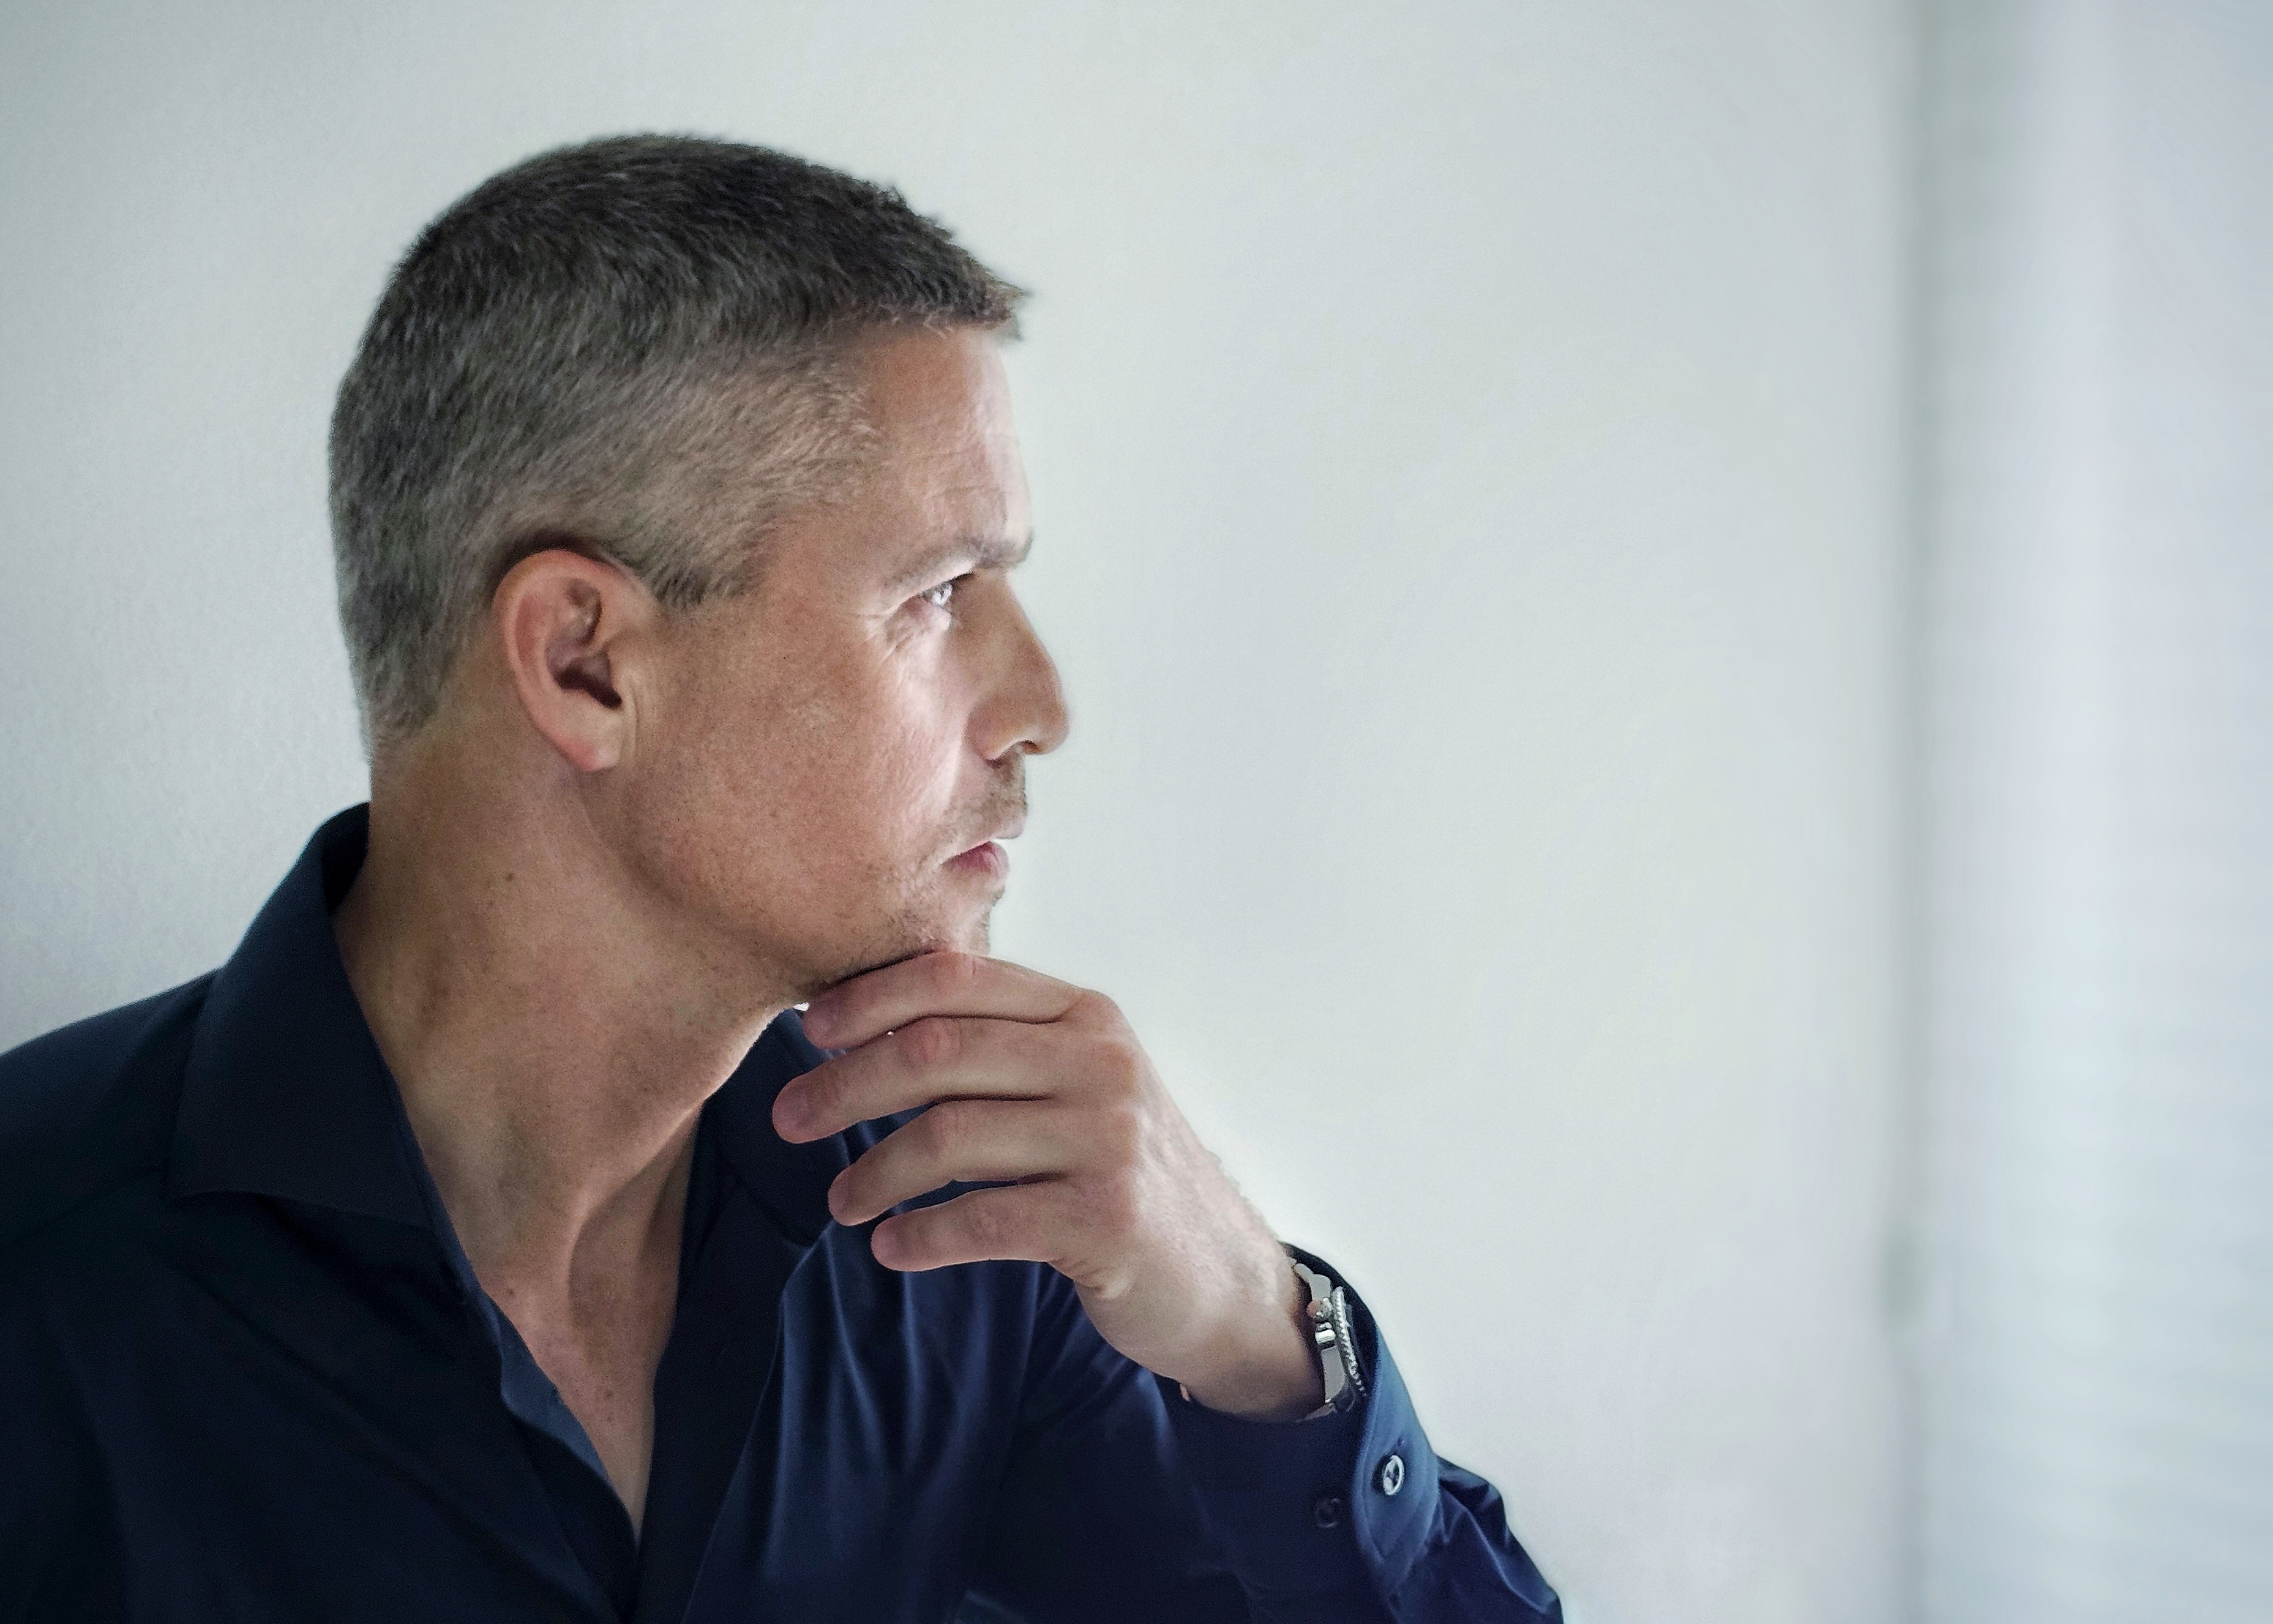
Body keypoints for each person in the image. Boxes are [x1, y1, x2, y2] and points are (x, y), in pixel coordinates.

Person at [0, 135, 1562, 1622]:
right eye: (939, 593)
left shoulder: (966, 1235)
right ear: (587, 663)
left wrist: (1266, 1334)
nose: (1042, 706)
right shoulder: (41, 1293)